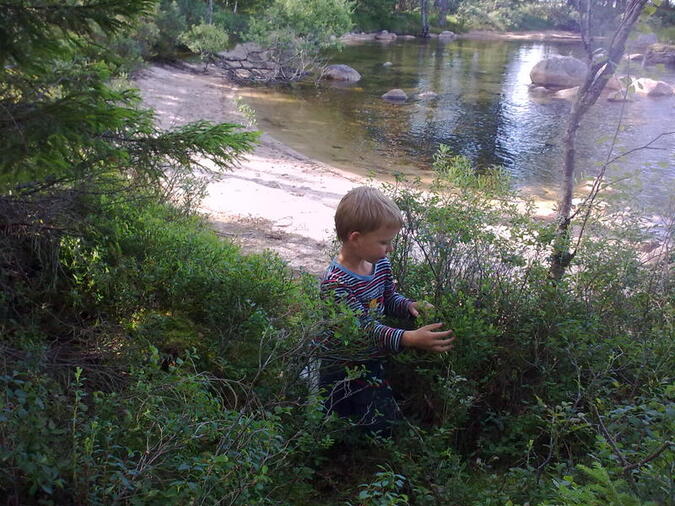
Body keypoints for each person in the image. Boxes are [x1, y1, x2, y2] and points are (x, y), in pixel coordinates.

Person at [318, 186, 455, 436]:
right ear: (355, 238)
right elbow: (362, 329)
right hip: (342, 363)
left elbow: (388, 297)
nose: (390, 249)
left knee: (379, 418)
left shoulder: (379, 262)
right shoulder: (336, 282)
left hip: (372, 357)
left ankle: (373, 449)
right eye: (384, 242)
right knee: (338, 417)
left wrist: (409, 306)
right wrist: (410, 338)